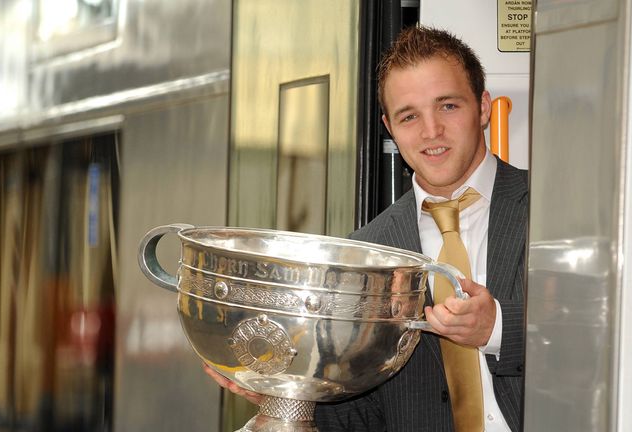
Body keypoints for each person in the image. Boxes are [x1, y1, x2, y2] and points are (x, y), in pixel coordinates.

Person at [205, 25, 527, 431]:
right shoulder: (367, 251)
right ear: (390, 127)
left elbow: (598, 333)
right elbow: (361, 411)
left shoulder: (558, 211)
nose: (431, 131)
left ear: (483, 107)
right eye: (409, 116)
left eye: (448, 106)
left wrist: (497, 327)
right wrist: (287, 395)